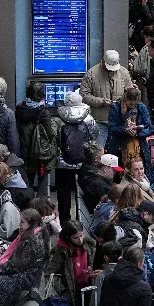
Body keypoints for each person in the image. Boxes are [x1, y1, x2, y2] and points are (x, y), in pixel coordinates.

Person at [56, 91, 99, 219]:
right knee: (86, 191)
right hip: (84, 161)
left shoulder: (59, 119)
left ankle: (65, 222)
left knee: (64, 195)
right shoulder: (88, 118)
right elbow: (95, 135)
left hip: (62, 162)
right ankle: (85, 219)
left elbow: (56, 140)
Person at [79, 50, 135, 150]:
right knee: (99, 152)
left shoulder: (124, 72)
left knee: (120, 153)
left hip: (120, 121)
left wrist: (131, 92)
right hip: (100, 121)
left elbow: (130, 94)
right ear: (103, 61)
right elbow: (84, 95)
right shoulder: (91, 74)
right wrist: (101, 102)